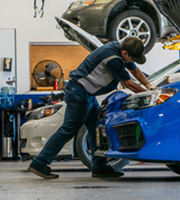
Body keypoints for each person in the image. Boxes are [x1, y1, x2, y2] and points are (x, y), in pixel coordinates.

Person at [28, 37, 156, 179]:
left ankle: (99, 167)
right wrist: (150, 95)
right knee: (68, 128)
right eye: (132, 57)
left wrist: (149, 86)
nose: (132, 61)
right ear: (125, 53)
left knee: (95, 128)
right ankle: (39, 162)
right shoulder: (114, 58)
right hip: (79, 93)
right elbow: (129, 84)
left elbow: (135, 70)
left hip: (86, 93)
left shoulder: (118, 48)